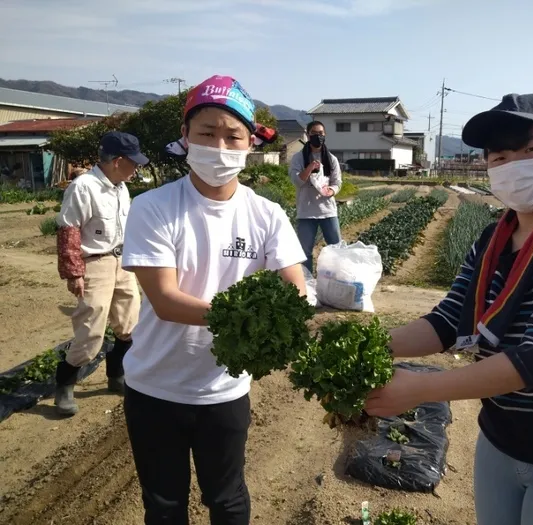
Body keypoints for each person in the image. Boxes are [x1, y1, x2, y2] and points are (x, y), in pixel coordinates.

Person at [365, 94, 533, 525]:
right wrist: (372, 346)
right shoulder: (492, 241)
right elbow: (449, 320)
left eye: (531, 150)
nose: (515, 165)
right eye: (500, 156)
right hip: (501, 439)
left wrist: (418, 389)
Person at [121, 74, 307, 525]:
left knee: (227, 500)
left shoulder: (267, 215)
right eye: (207, 133)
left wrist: (289, 310)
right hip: (155, 386)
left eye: (232, 135)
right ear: (185, 138)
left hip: (224, 390)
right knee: (164, 506)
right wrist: (248, 320)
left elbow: (294, 290)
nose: (220, 146)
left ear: (249, 144)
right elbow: (166, 301)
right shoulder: (153, 208)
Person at [53, 132, 146, 416]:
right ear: (118, 161)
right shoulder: (84, 187)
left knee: (130, 326)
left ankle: (115, 376)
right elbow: (68, 229)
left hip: (123, 262)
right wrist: (74, 273)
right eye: (134, 163)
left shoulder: (120, 187)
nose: (136, 169)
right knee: (90, 334)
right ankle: (65, 384)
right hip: (95, 265)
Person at [289, 120, 342, 273]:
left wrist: (331, 191)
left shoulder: (331, 159)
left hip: (328, 211)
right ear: (308, 135)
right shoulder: (298, 158)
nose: (318, 137)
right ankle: (307, 284)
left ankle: (336, 278)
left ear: (325, 135)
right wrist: (310, 167)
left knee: (336, 248)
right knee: (305, 252)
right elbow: (297, 181)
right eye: (314, 134)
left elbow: (337, 182)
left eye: (321, 134)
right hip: (306, 212)